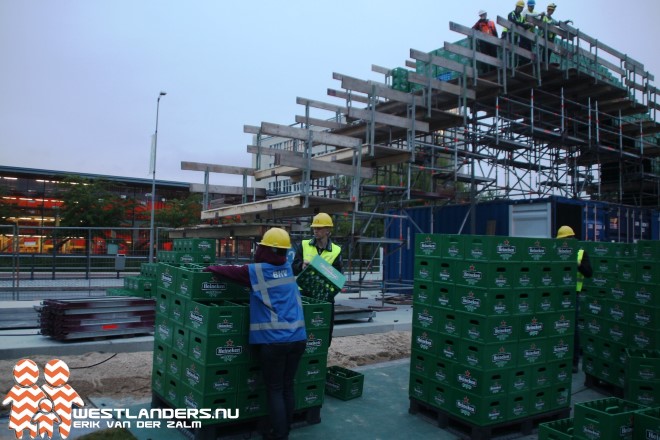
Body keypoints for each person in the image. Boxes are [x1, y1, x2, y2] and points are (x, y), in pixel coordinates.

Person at [205, 227, 306, 440]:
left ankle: (279, 435)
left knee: (275, 389)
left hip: (275, 342)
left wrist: (209, 268)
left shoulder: (258, 271)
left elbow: (231, 272)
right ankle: (285, 429)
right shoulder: (287, 268)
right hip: (298, 338)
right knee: (287, 387)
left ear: (266, 249)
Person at [292, 212, 342, 346]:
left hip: (325, 295)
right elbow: (293, 268)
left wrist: (322, 270)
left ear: (327, 230)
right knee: (302, 330)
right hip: (304, 294)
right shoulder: (304, 245)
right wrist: (301, 265)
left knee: (325, 331)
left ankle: (322, 352)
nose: (315, 230)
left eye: (319, 228)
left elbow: (338, 276)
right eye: (314, 227)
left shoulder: (336, 250)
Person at [556, 225, 593, 374]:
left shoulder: (581, 253)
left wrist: (577, 263)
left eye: (565, 240)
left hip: (572, 295)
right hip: (557, 294)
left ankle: (573, 362)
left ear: (571, 238)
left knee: (573, 328)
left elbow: (589, 272)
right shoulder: (556, 251)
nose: (563, 243)